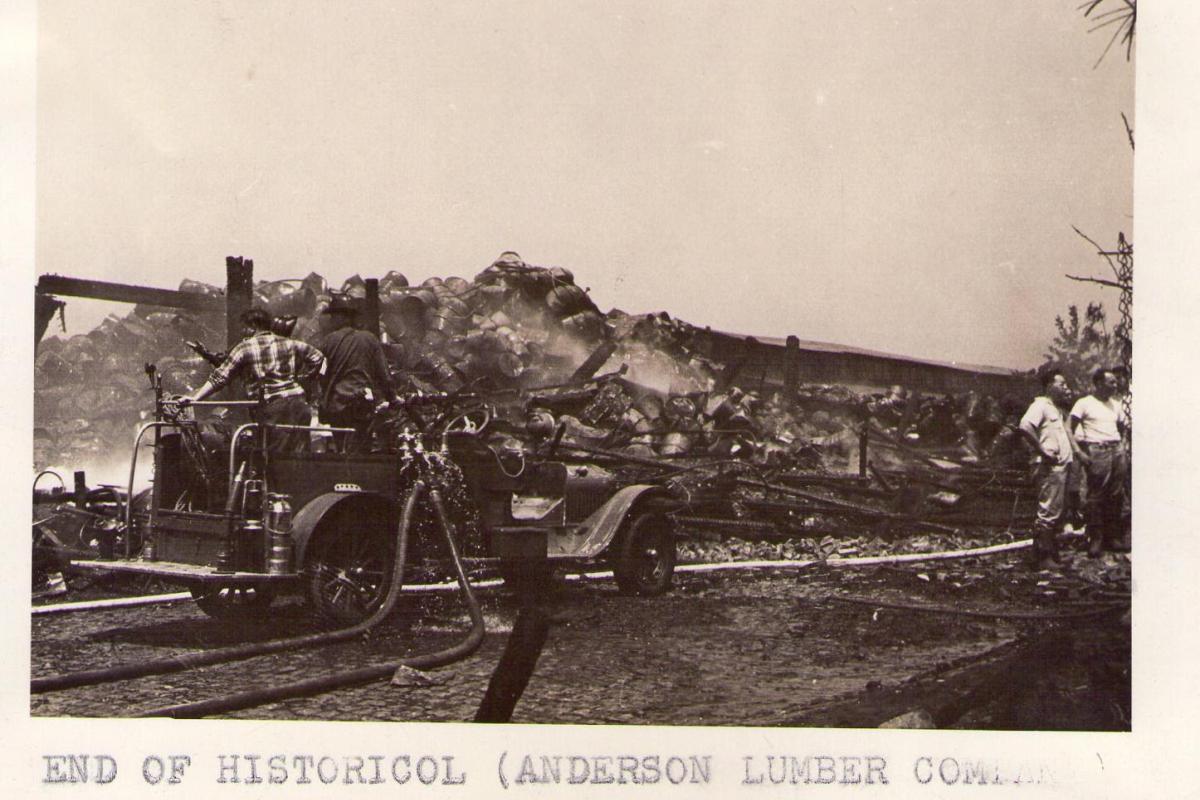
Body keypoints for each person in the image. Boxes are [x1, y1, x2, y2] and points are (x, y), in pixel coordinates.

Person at [182, 307, 325, 454]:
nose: (242, 332)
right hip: (299, 405)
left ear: (253, 326)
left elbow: (220, 377)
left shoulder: (245, 347)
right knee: (299, 456)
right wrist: (306, 378)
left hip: (274, 409)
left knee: (273, 458)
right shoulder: (290, 343)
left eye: (244, 327)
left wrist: (195, 398)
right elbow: (319, 357)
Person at [318, 294, 401, 452]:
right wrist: (393, 398)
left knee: (340, 448)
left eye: (334, 316)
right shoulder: (370, 339)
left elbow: (321, 376)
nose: (331, 320)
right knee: (361, 451)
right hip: (361, 404)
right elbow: (384, 375)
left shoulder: (328, 341)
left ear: (343, 317)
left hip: (336, 405)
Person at [1018, 369, 1082, 570]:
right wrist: (1043, 450)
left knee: (1057, 511)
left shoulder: (1056, 409)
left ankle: (1052, 554)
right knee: (1047, 511)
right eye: (1061, 384)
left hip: (1060, 466)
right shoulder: (1040, 406)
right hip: (1049, 466)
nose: (1065, 388)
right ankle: (1043, 557)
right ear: (1049, 386)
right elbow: (1025, 426)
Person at [1070, 368, 1131, 556]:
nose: (1115, 385)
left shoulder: (1116, 404)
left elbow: (1122, 427)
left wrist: (1119, 446)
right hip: (1096, 451)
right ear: (1098, 383)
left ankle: (1111, 537)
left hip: (1116, 450)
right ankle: (1095, 539)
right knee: (1096, 496)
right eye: (1111, 382)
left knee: (1116, 494)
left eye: (1115, 382)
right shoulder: (1084, 403)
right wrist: (1079, 452)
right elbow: (1068, 429)